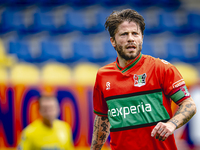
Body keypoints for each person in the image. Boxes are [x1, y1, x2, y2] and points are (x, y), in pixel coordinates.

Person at [90, 9, 196, 150]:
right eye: (124, 34)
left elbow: (189, 105)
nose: (130, 39)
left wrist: (171, 124)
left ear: (142, 38)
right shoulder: (103, 75)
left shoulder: (162, 69)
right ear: (113, 41)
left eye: (135, 33)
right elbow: (102, 119)